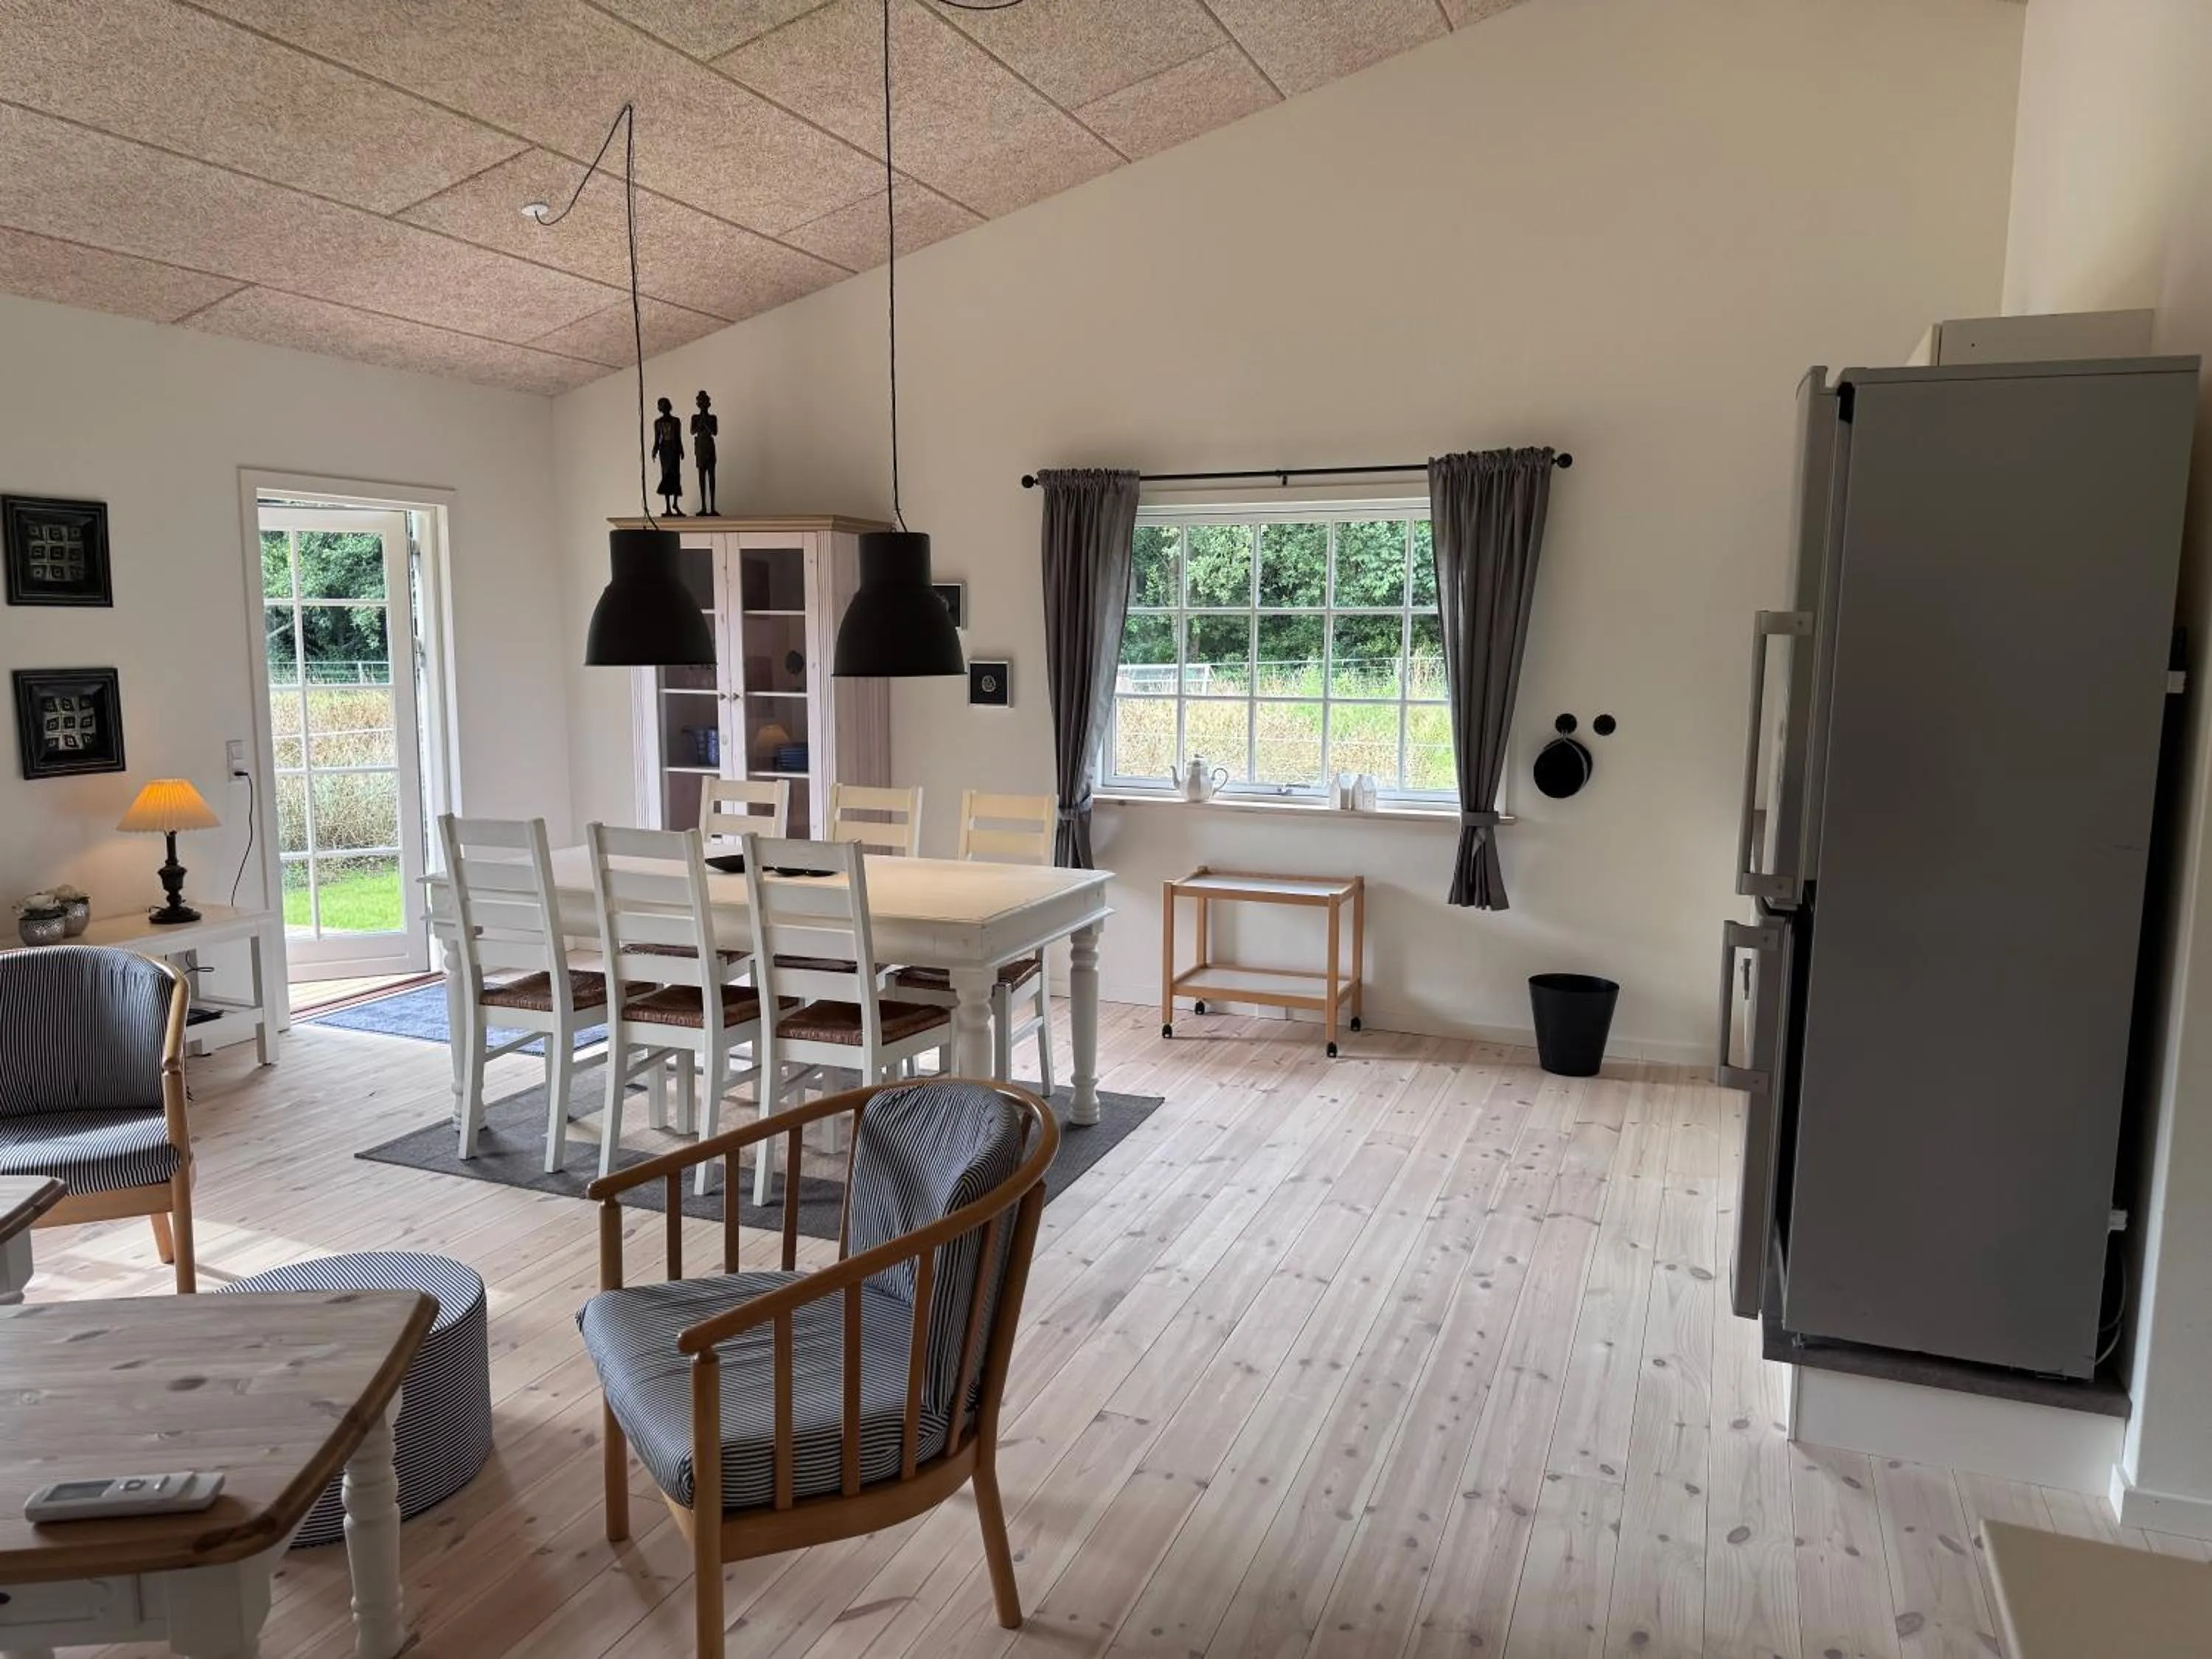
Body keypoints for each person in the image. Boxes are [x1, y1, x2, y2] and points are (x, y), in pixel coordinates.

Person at [651, 397, 685, 516]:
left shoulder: (676, 421)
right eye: (661, 405)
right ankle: (668, 507)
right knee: (666, 476)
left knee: (675, 476)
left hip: (674, 449)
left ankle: (675, 503)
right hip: (664, 450)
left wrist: (681, 450)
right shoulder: (658, 422)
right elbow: (657, 438)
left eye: (665, 405)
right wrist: (655, 450)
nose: (663, 408)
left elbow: (678, 437)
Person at [690, 390, 719, 516]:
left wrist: (705, 422)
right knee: (701, 478)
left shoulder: (712, 418)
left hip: (709, 447)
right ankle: (703, 507)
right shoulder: (695, 418)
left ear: (708, 404)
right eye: (700, 402)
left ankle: (712, 507)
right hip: (700, 448)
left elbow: (714, 432)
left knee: (711, 477)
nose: (702, 404)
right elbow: (693, 431)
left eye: (704, 402)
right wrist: (701, 422)